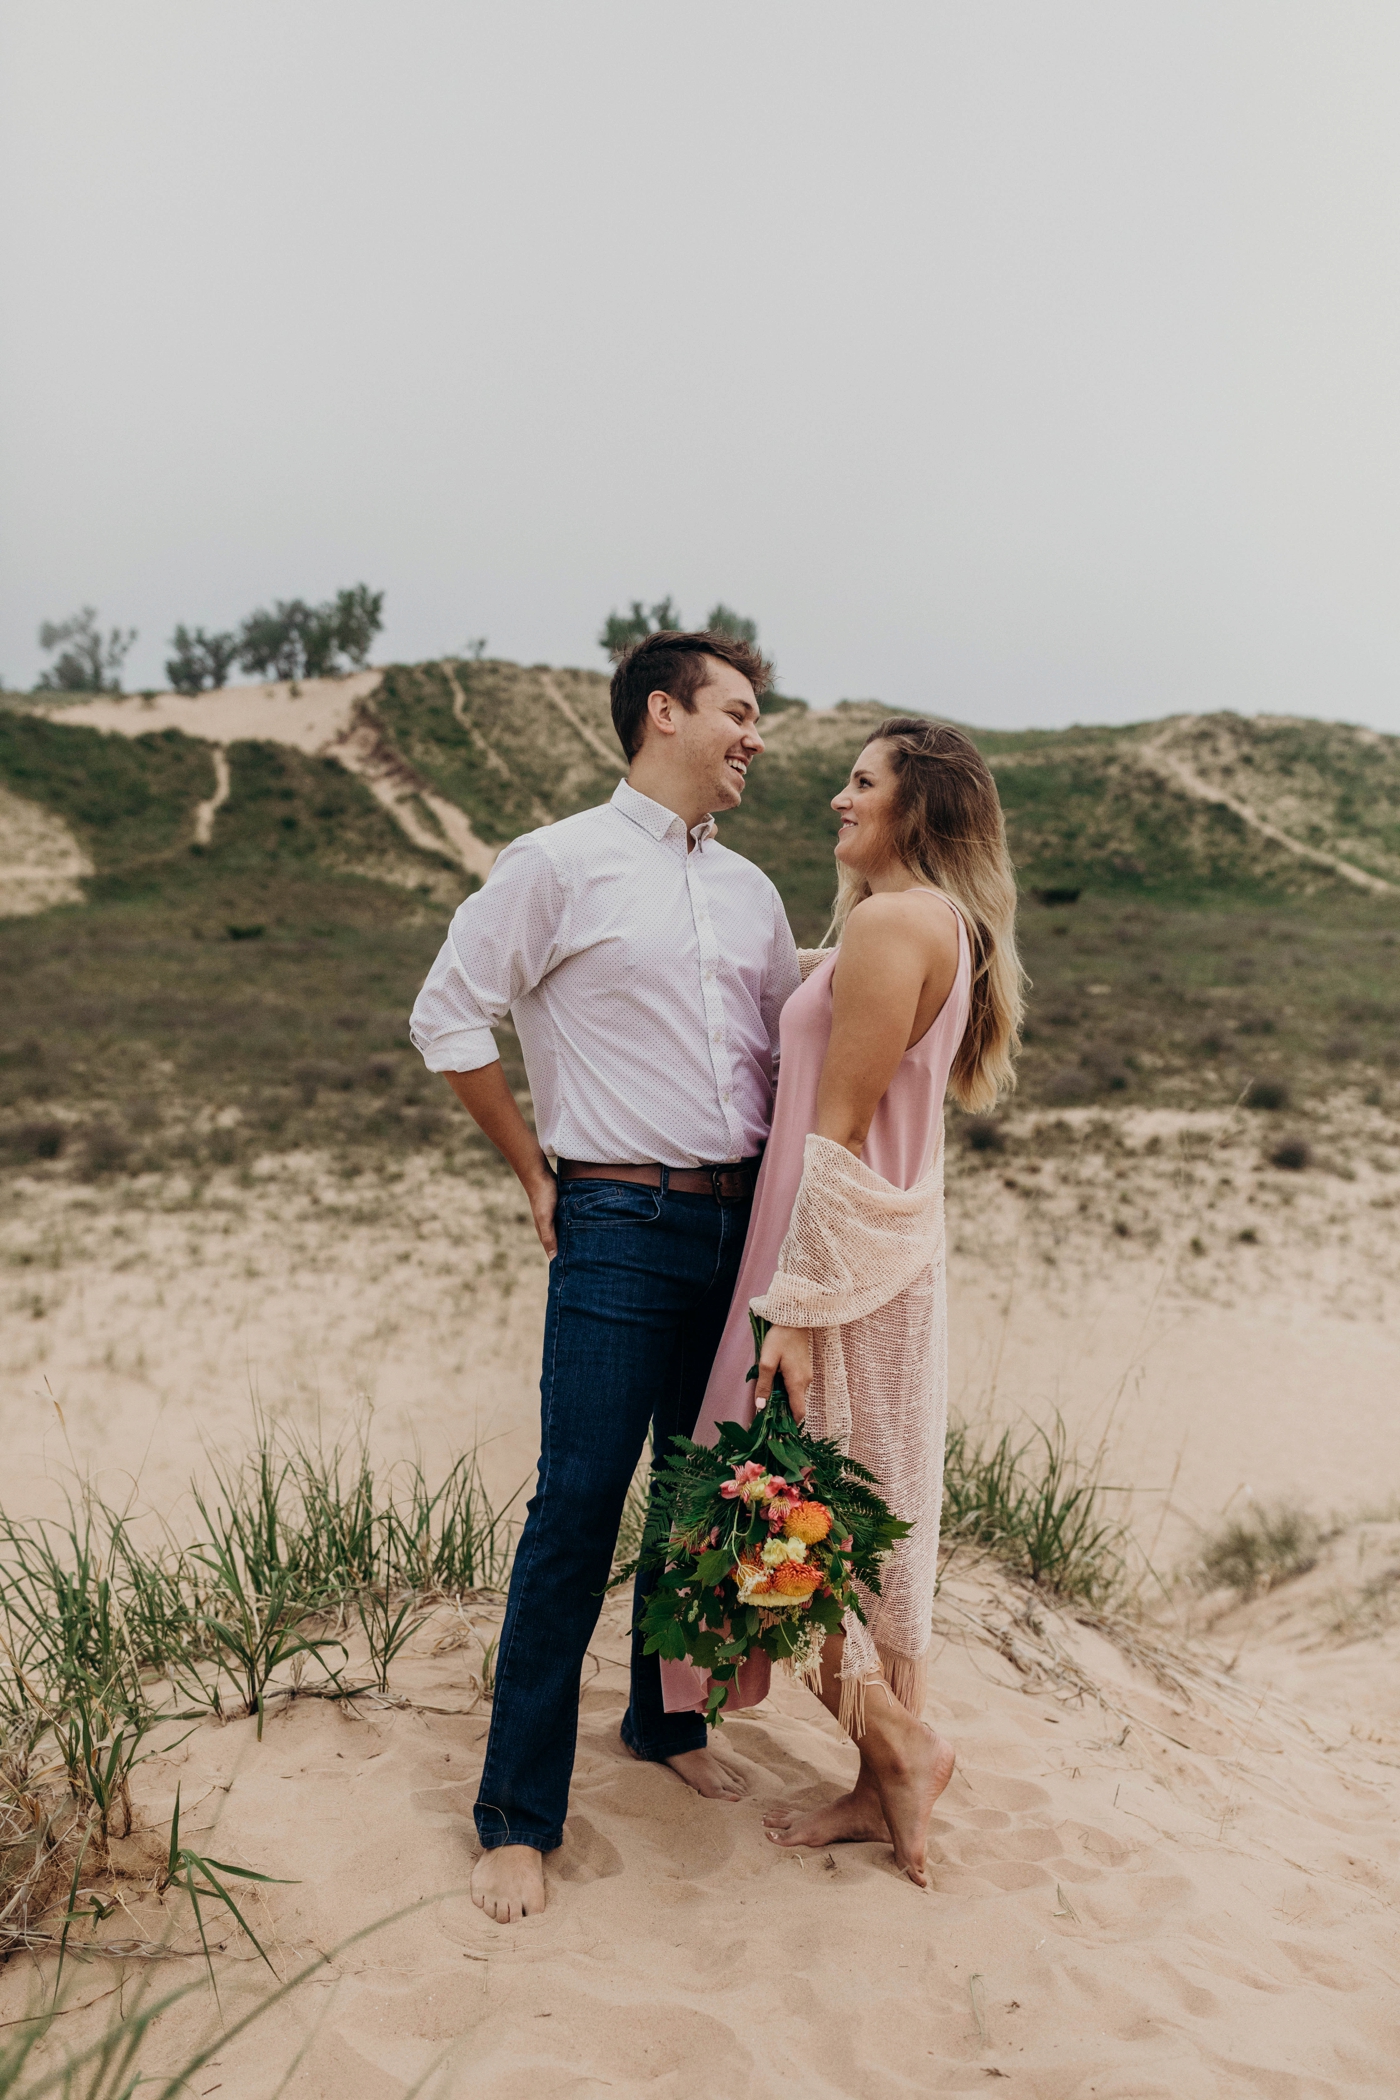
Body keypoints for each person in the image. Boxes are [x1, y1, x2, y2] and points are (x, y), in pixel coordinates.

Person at [408, 630, 801, 1924]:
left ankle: (664, 1722)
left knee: (707, 1500)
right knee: (578, 1509)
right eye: (738, 712)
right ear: (663, 714)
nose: (756, 735)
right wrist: (534, 1171)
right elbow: (447, 1013)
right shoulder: (557, 863)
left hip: (739, 1230)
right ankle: (518, 1815)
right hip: (616, 1222)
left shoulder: (752, 891)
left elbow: (781, 1054)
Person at [660, 717, 1024, 1886]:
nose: (835, 798)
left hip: (835, 1270)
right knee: (852, 1524)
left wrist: (796, 1311)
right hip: (880, 1260)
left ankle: (902, 1748)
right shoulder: (935, 929)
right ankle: (879, 1789)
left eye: (860, 783)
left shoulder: (888, 924)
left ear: (914, 808)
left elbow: (837, 1128)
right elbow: (822, 1011)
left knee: (803, 1518)